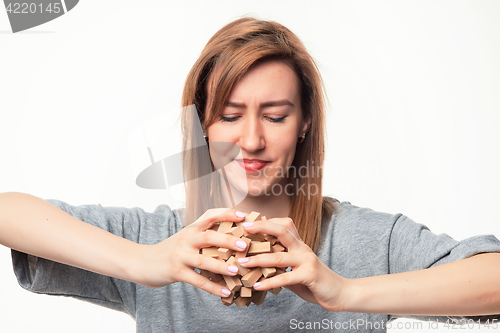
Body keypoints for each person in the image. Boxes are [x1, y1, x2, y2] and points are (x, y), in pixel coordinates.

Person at [1, 17, 500, 333]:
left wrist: (345, 292)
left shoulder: (367, 241)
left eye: (276, 116)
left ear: (305, 122)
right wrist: (144, 264)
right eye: (229, 115)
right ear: (201, 123)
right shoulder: (158, 240)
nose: (252, 141)